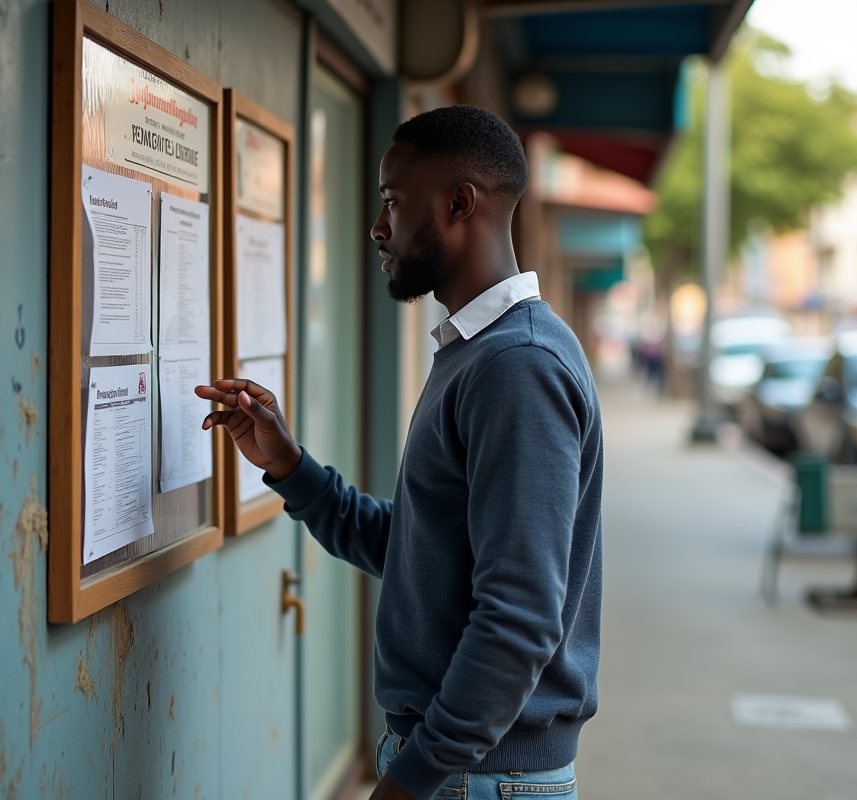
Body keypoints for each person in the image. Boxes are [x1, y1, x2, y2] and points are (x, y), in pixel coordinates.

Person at [196, 105, 603, 800]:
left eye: (392, 202)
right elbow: (424, 553)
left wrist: (408, 783)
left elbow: (520, 616)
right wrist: (294, 470)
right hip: (462, 770)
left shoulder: (517, 366)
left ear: (457, 203)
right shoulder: (480, 353)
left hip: (477, 779)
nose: (378, 227)